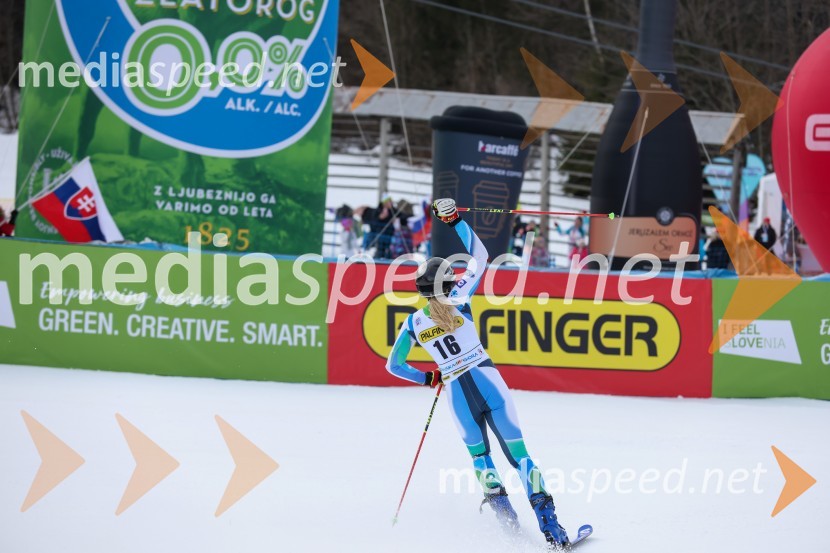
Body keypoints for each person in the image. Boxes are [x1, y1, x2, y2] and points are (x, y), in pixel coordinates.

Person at [385, 198, 570, 548]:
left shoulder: (414, 322)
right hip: (490, 385)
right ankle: (553, 532)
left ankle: (509, 530)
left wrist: (428, 378)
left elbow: (394, 366)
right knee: (521, 457)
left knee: (481, 459)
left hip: (456, 396)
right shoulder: (459, 297)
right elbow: (481, 256)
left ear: (421, 290)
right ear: (449, 280)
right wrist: (453, 220)